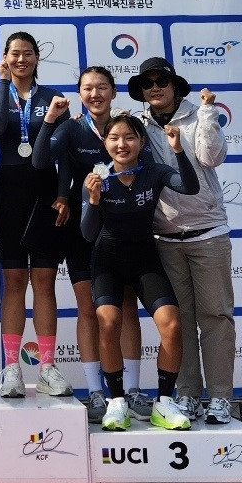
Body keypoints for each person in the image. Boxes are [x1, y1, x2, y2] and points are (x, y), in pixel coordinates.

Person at [32, 66, 150, 423]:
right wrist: (50, 121)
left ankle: (131, 390)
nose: (95, 94)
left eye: (101, 87)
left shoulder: (128, 126)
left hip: (123, 225)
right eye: (87, 88)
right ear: (80, 94)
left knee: (126, 306)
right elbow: (40, 160)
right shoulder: (72, 127)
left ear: (113, 92)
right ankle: (96, 392)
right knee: (89, 308)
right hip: (82, 226)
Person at [128, 57, 235, 424]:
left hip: (208, 233)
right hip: (166, 238)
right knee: (181, 321)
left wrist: (207, 113)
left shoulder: (198, 114)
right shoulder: (138, 124)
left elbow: (212, 157)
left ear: (175, 86)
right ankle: (188, 394)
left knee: (216, 316)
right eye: (147, 83)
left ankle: (220, 397)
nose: (155, 87)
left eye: (162, 80)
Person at [81, 114, 199, 431]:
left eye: (129, 137)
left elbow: (189, 186)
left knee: (172, 325)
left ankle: (164, 403)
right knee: (108, 322)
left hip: (145, 258)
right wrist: (93, 200)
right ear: (105, 143)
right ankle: (117, 403)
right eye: (114, 138)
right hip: (108, 260)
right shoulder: (97, 177)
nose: (122, 144)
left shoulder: (154, 171)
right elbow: (88, 233)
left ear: (141, 142)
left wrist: (178, 150)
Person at [0, 31, 72, 398]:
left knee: (45, 282)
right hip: (10, 194)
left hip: (45, 192)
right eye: (14, 54)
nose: (21, 59)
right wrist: (4, 82)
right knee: (15, 281)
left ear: (37, 57)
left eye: (27, 53)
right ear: (5, 58)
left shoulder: (53, 97)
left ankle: (47, 367)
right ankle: (11, 368)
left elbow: (64, 153)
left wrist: (64, 194)